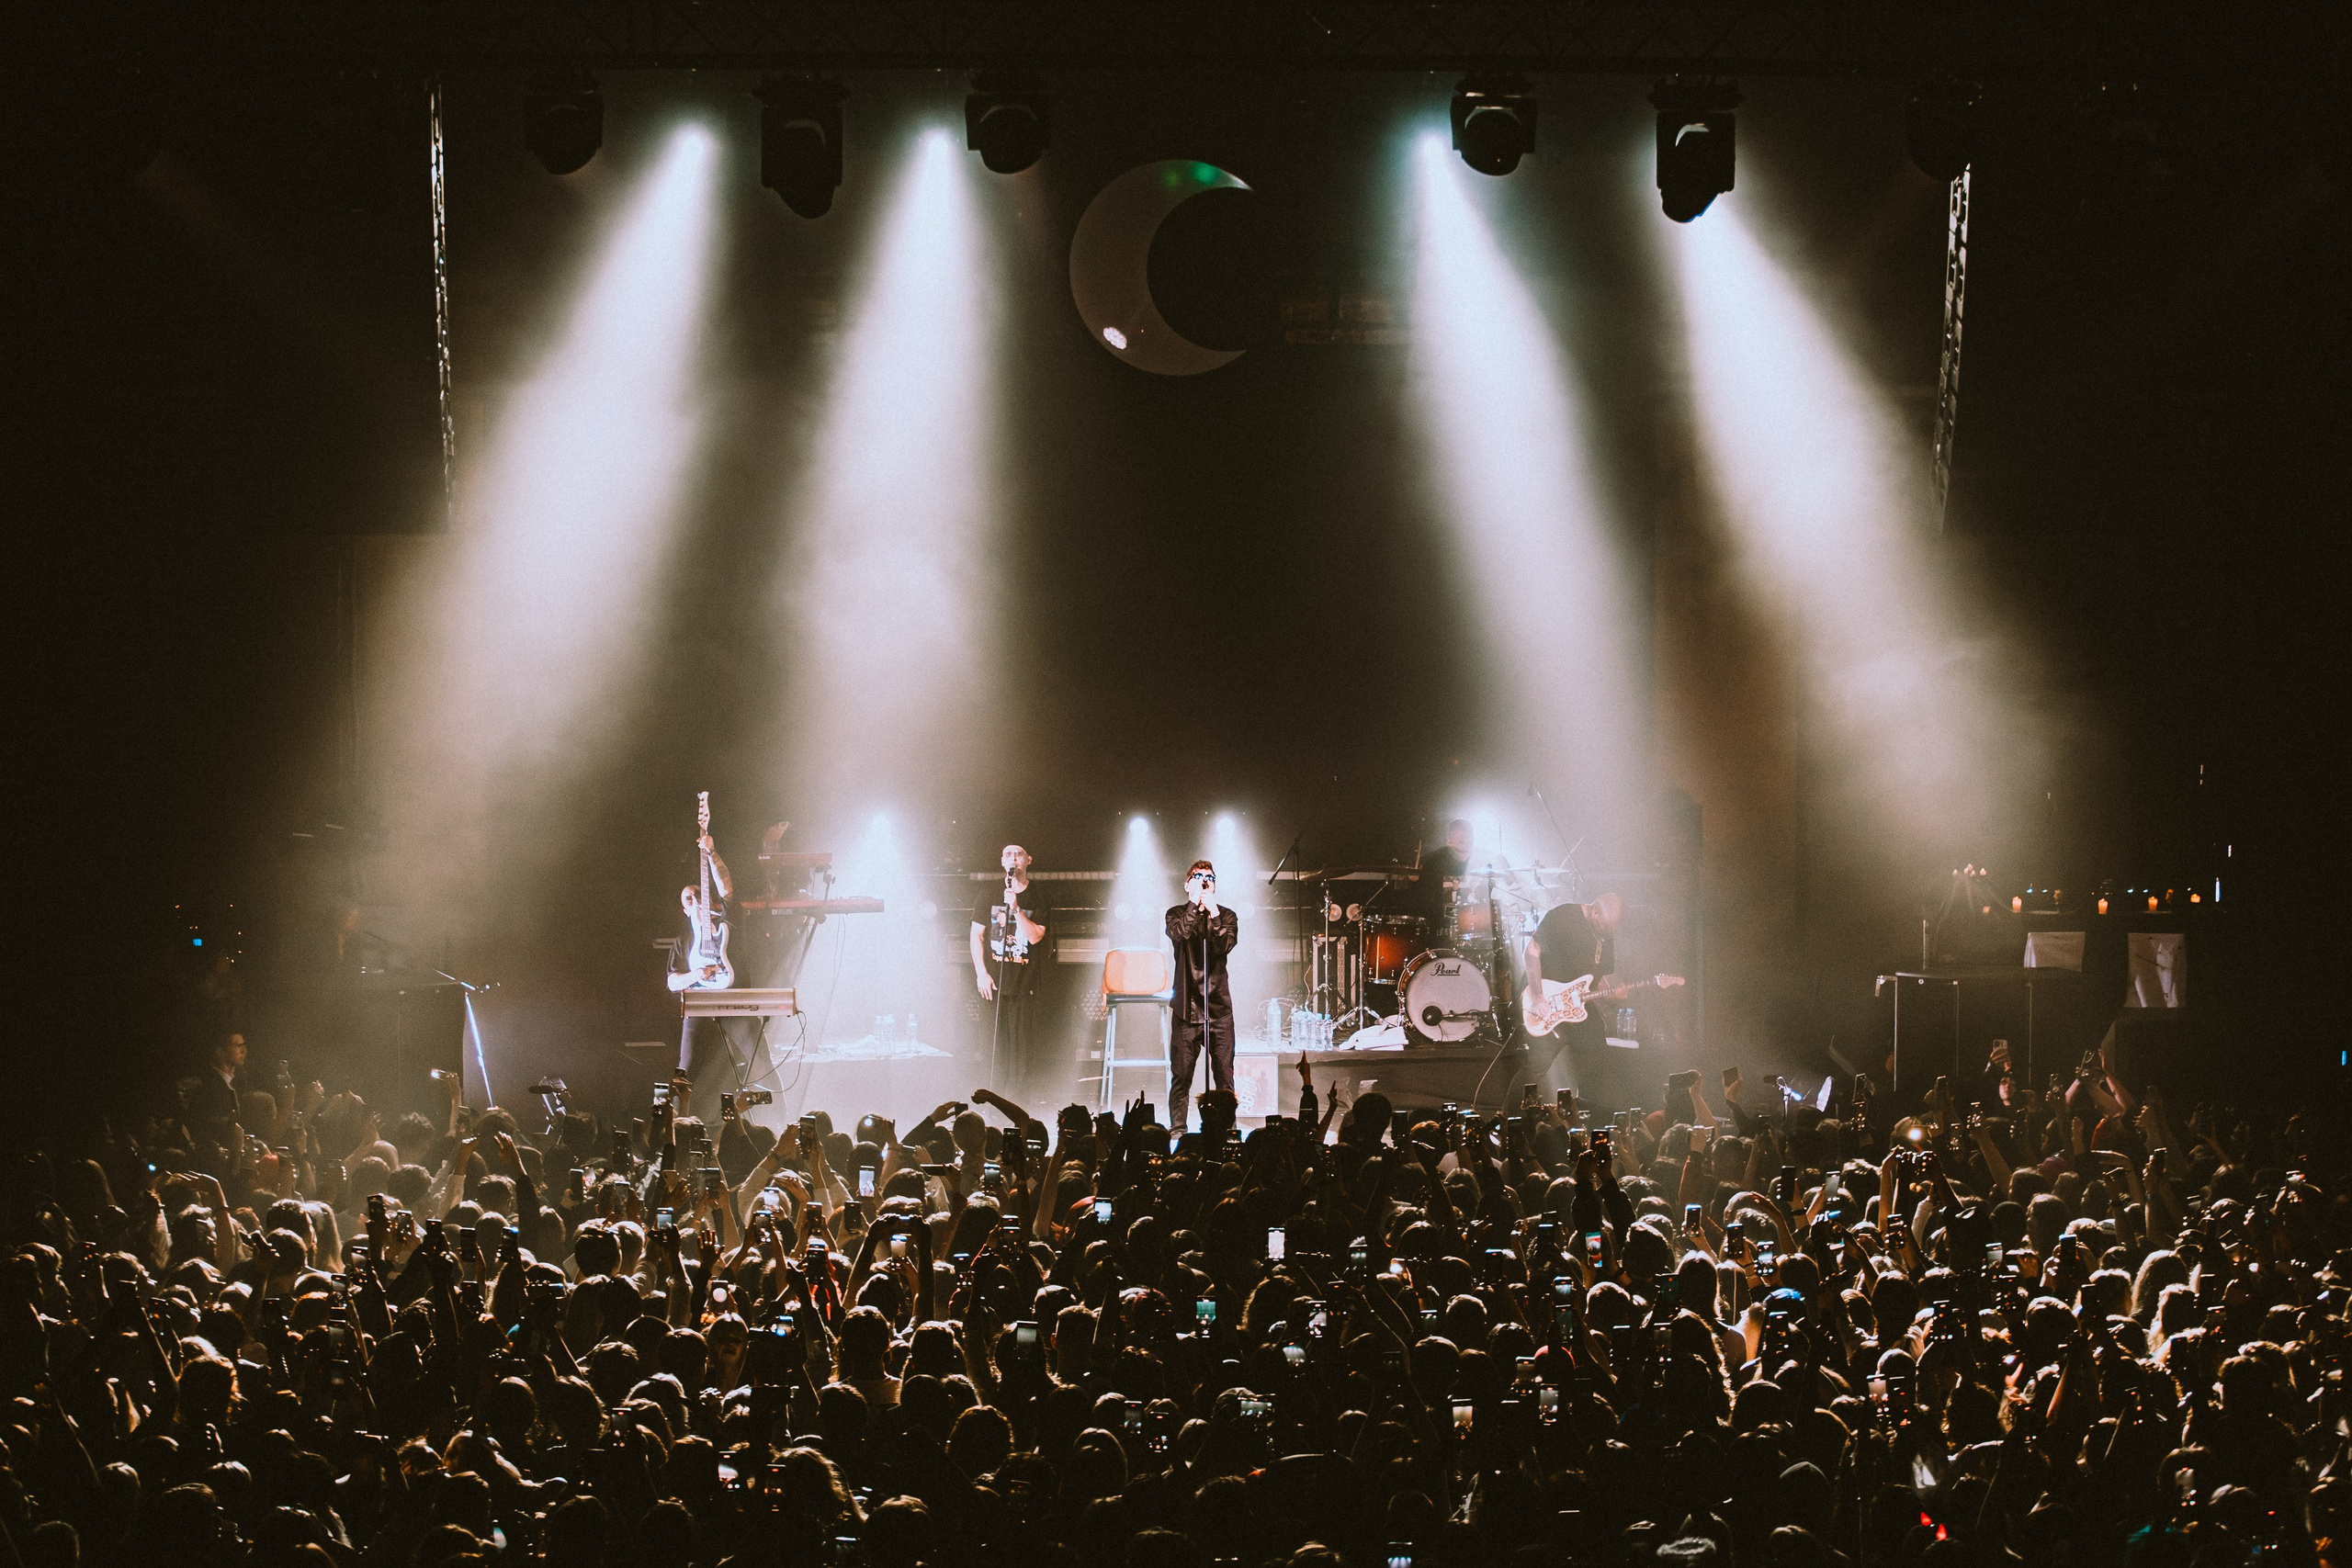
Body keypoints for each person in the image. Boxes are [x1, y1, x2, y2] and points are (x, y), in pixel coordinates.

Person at [1505, 890, 1623, 1105]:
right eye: (1604, 925)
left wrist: (1613, 994)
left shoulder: (1605, 935)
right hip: (1544, 1000)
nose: (1606, 931)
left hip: (1574, 1005)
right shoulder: (1565, 915)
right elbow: (1531, 951)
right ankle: (1506, 1118)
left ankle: (1583, 1112)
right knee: (1539, 1065)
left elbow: (1595, 979)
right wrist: (1538, 996)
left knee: (1595, 1050)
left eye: (1611, 927)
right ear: (1595, 910)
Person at [1166, 860, 1238, 1134]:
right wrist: (1195, 906)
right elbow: (1180, 933)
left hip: (1218, 1010)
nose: (1204, 880)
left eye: (1209, 877)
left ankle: (1228, 1131)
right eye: (1197, 876)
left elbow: (1224, 945)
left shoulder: (1227, 916)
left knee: (1224, 1077)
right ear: (1187, 885)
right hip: (1186, 1008)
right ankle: (1178, 1131)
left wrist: (1213, 912)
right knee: (1181, 1077)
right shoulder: (1175, 914)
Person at [969, 843, 1047, 1090]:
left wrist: (1016, 910)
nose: (1013, 858)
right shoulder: (988, 894)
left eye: (1018, 854)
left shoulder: (1039, 896)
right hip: (993, 984)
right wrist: (981, 973)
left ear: (1028, 860)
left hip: (1024, 983)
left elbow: (1035, 936)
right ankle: (990, 1100)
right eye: (1007, 854)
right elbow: (976, 935)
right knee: (993, 1048)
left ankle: (1019, 1102)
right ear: (1002, 862)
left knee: (1021, 1050)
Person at [672, 827, 738, 1113]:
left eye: (698, 893)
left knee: (760, 1059)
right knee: (685, 1069)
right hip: (697, 1001)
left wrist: (712, 852)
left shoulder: (722, 921)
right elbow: (673, 983)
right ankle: (673, 1122)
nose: (694, 899)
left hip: (731, 998)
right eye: (688, 899)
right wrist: (695, 976)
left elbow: (726, 887)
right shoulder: (682, 940)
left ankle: (782, 1117)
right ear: (684, 910)